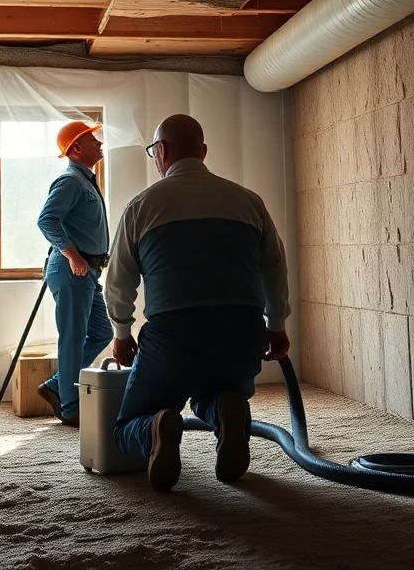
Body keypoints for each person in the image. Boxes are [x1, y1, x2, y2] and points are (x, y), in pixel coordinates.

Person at [104, 114, 290, 491]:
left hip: (175, 336)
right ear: (203, 152)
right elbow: (275, 267)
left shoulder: (142, 205)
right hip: (241, 332)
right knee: (215, 390)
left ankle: (156, 426)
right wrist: (276, 326)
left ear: (162, 152)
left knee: (126, 425)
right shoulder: (249, 202)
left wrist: (122, 333)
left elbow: (119, 279)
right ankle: (227, 411)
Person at [35, 120, 112, 426]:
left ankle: (56, 386)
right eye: (93, 139)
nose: (100, 143)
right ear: (77, 148)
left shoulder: (86, 181)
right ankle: (69, 408)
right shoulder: (70, 181)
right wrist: (73, 255)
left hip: (88, 272)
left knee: (102, 332)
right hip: (72, 270)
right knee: (73, 337)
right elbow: (46, 220)